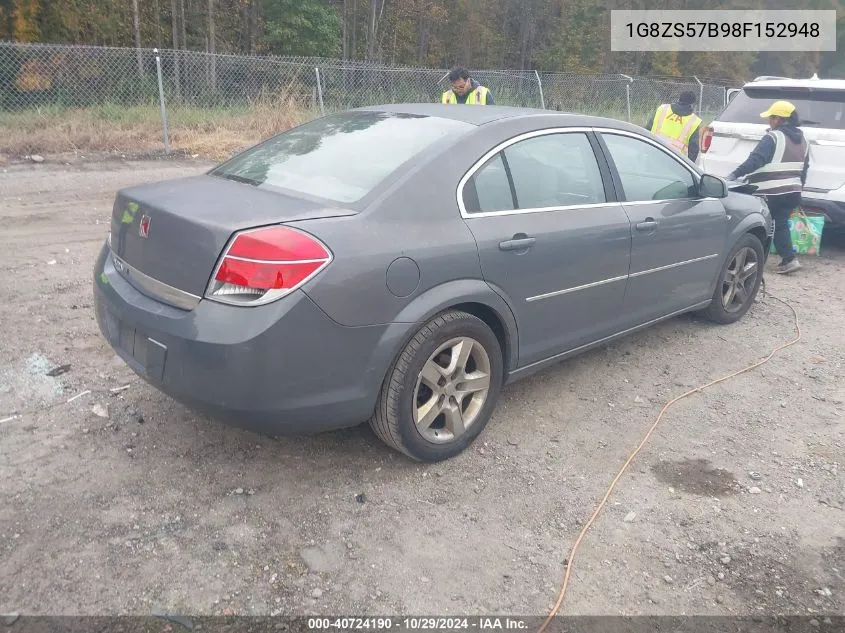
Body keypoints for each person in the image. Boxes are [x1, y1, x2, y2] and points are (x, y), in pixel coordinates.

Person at [727, 100, 810, 275]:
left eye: (771, 118)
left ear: (778, 119)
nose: (769, 121)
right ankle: (789, 260)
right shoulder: (803, 140)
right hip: (793, 191)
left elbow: (756, 160)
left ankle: (751, 259)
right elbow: (804, 168)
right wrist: (799, 189)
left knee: (755, 222)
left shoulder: (773, 137)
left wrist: (734, 175)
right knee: (780, 224)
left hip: (771, 192)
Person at [646, 91, 702, 161]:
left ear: (679, 98)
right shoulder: (694, 121)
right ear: (692, 103)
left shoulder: (663, 109)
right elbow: (693, 148)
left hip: (654, 152)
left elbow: (647, 128)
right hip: (675, 161)